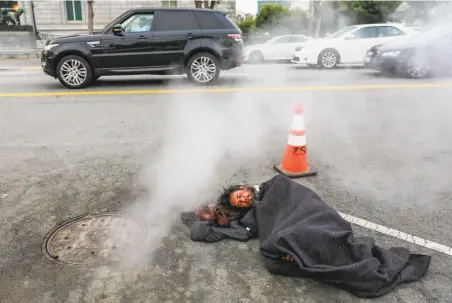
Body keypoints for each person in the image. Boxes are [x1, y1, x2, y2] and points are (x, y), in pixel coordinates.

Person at [180, 184, 260, 243]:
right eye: (207, 212)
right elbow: (196, 234)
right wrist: (220, 222)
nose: (217, 211)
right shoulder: (221, 228)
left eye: (207, 207)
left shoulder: (229, 202)